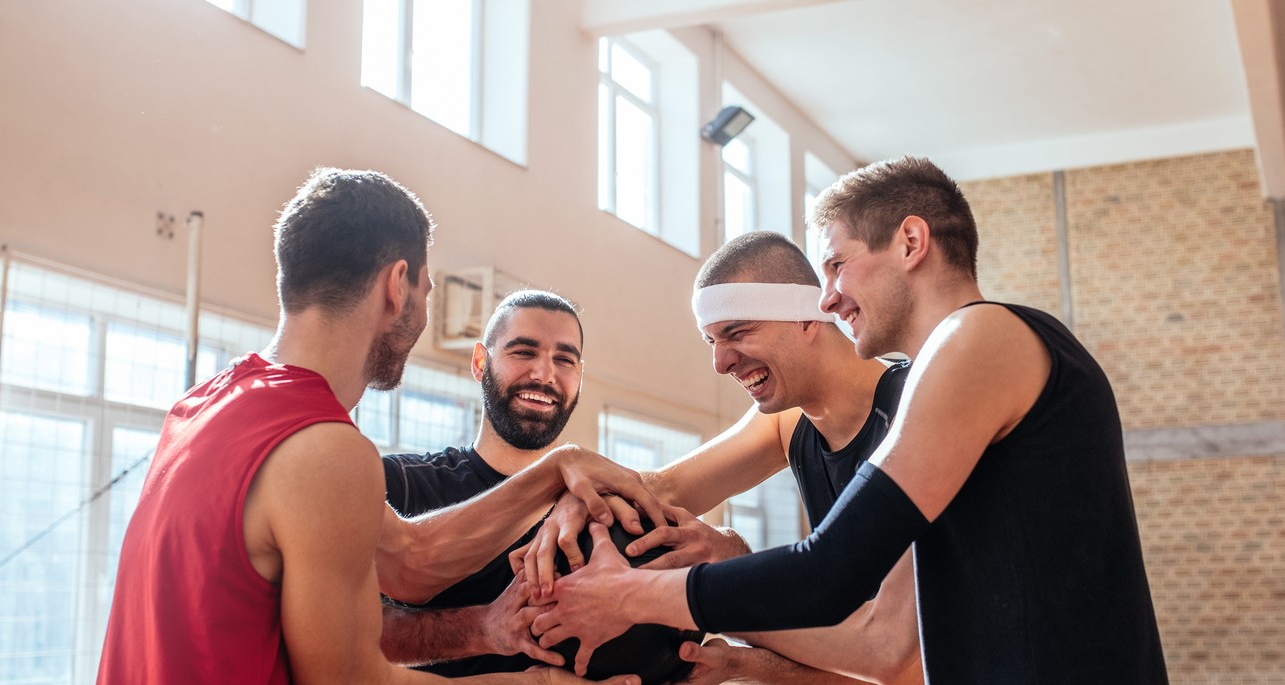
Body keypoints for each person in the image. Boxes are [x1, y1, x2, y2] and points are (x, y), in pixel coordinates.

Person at [530, 157, 1169, 684]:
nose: (829, 296)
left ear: (911, 243)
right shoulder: (944, 369)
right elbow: (665, 490)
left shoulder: (982, 336)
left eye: (837, 265)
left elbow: (838, 582)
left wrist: (626, 595)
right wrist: (574, 492)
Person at [98, 168, 631, 685]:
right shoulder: (326, 448)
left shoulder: (203, 406)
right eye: (426, 290)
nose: (422, 315)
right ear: (397, 284)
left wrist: (557, 468)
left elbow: (409, 560)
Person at [514, 232, 922, 685]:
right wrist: (581, 499)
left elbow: (901, 661)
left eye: (737, 332)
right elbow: (665, 487)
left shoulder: (919, 412)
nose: (720, 362)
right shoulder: (789, 423)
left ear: (808, 319)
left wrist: (676, 589)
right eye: (710, 339)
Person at [379, 290, 667, 677]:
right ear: (481, 362)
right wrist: (482, 626)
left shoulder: (604, 508)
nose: (544, 375)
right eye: (523, 352)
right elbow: (352, 630)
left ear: (580, 376)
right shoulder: (399, 486)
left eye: (564, 360)